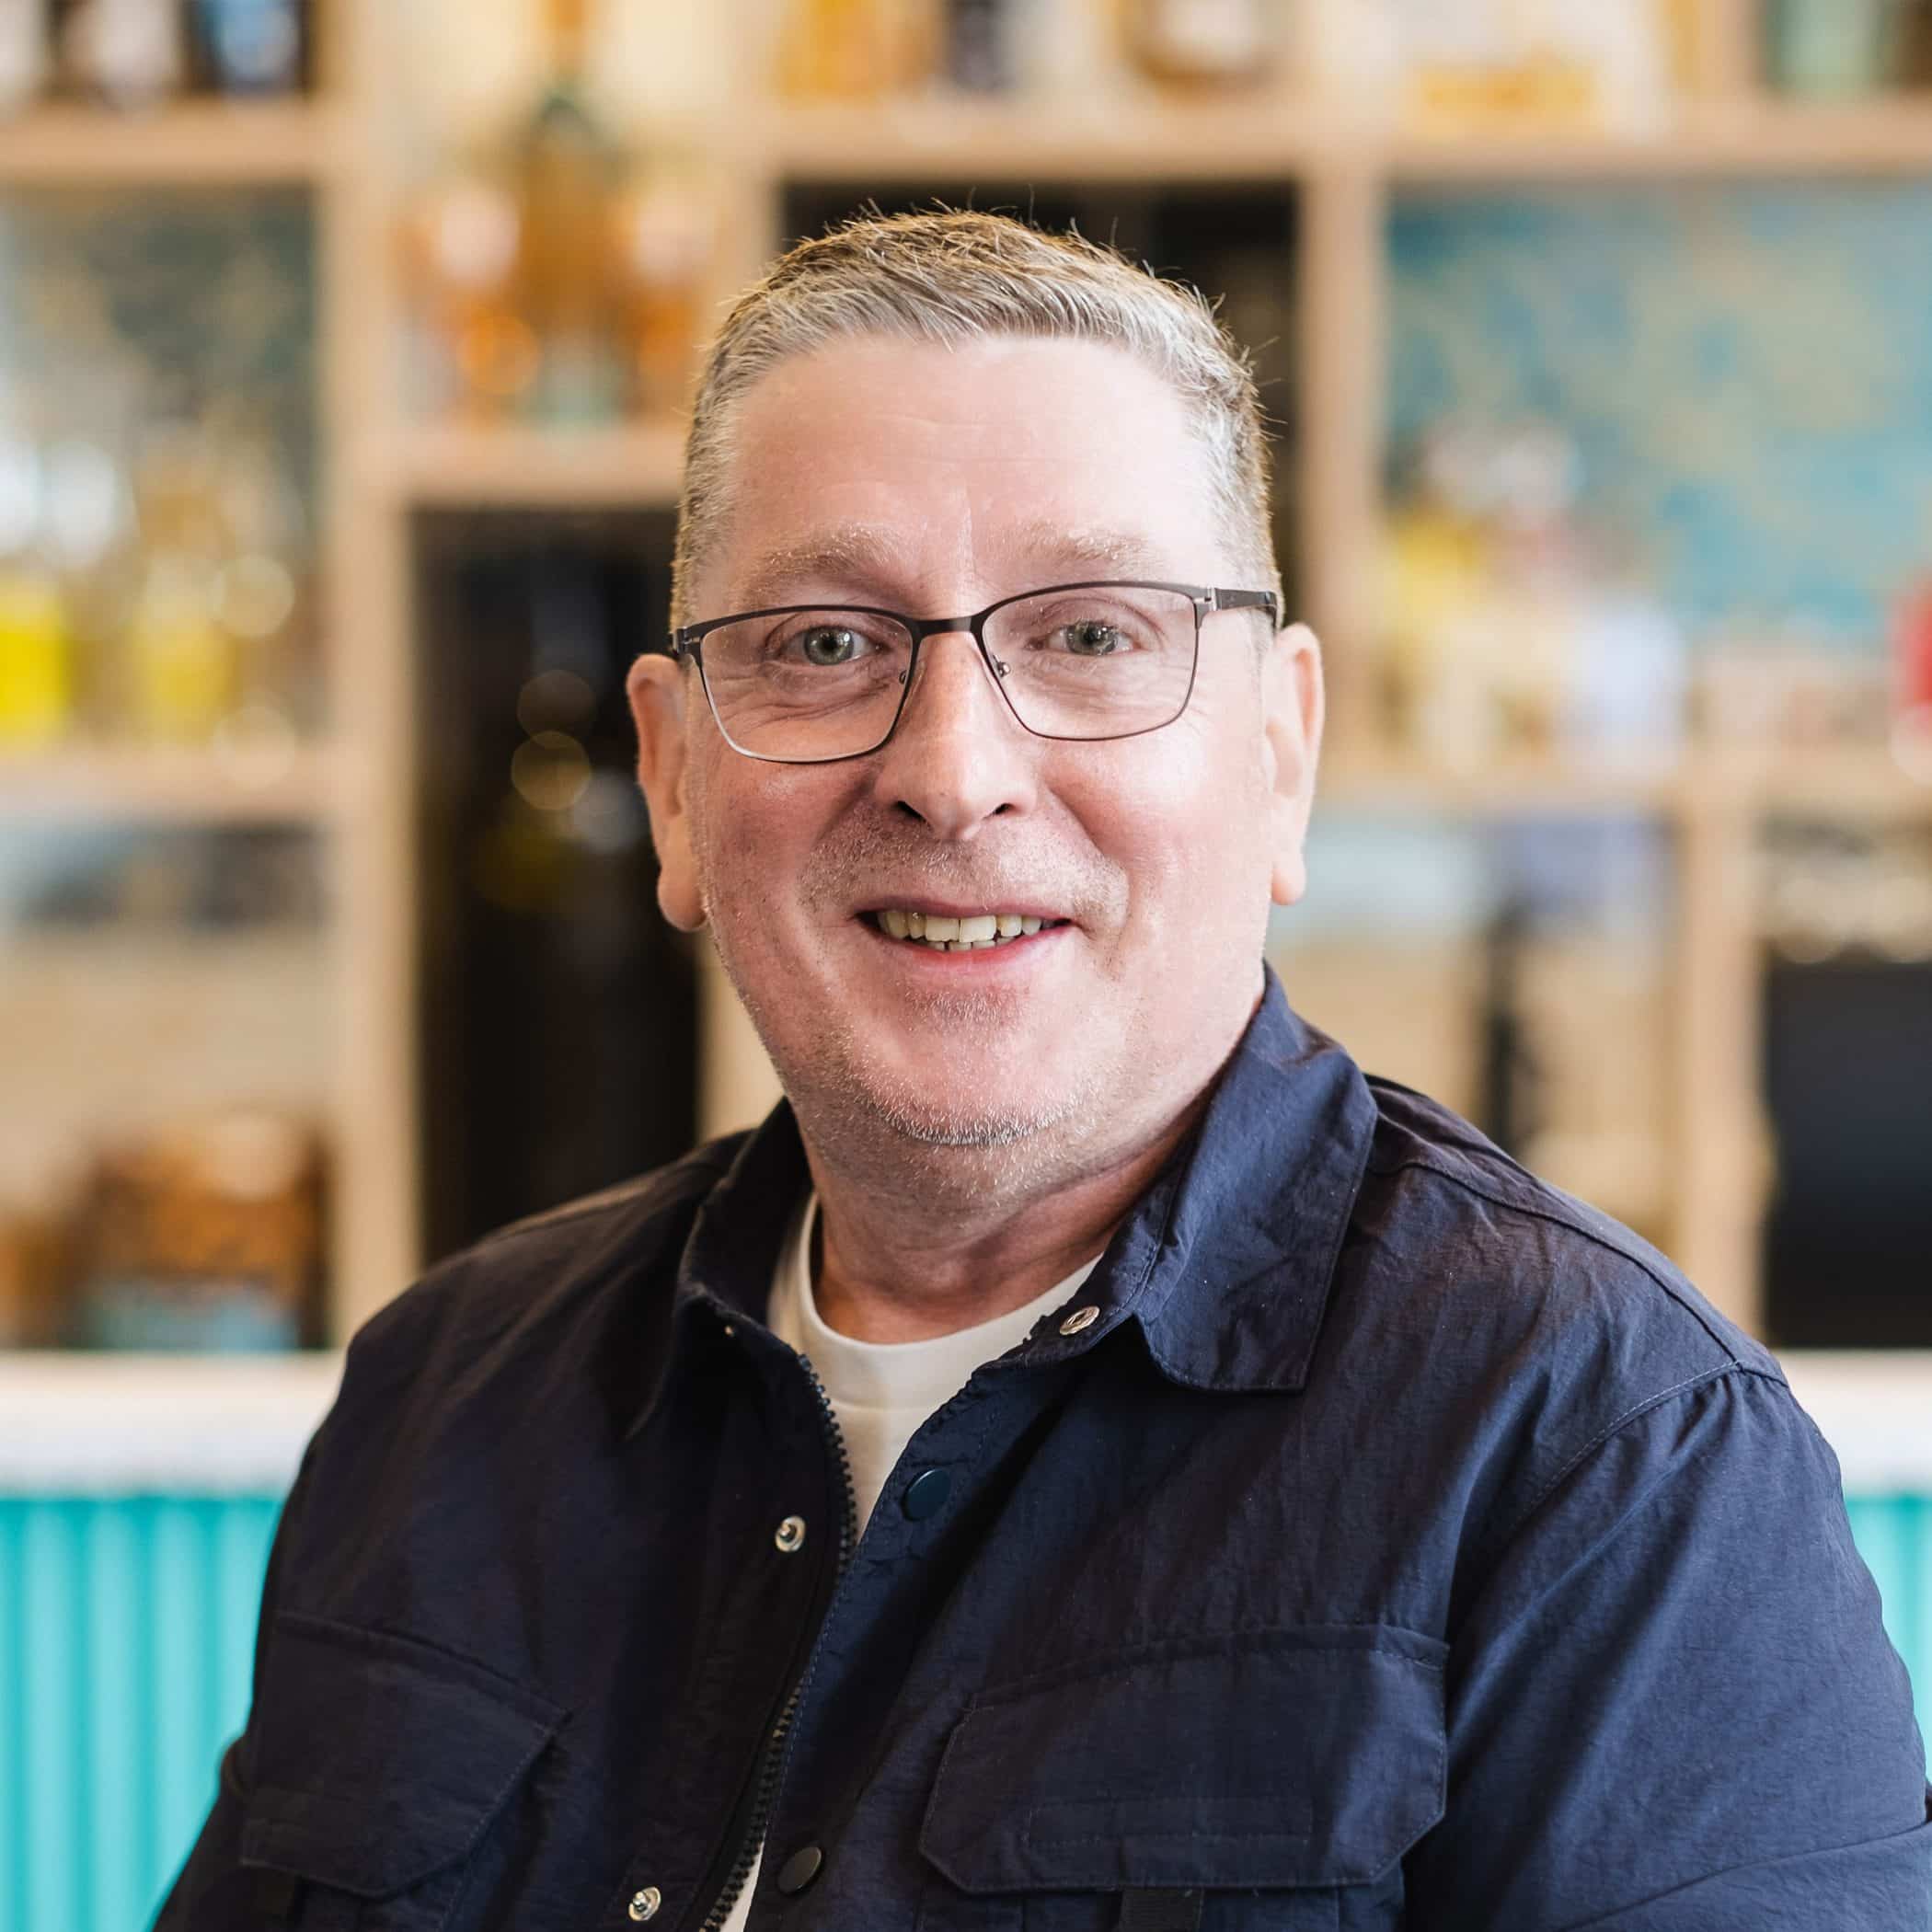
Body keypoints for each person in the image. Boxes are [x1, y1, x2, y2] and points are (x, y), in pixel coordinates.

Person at [161, 210, 1929, 1932]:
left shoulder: (1608, 1462)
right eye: (825, 643)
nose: (953, 769)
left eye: (1089, 637)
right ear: (674, 782)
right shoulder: (443, 1403)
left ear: (1279, 752)